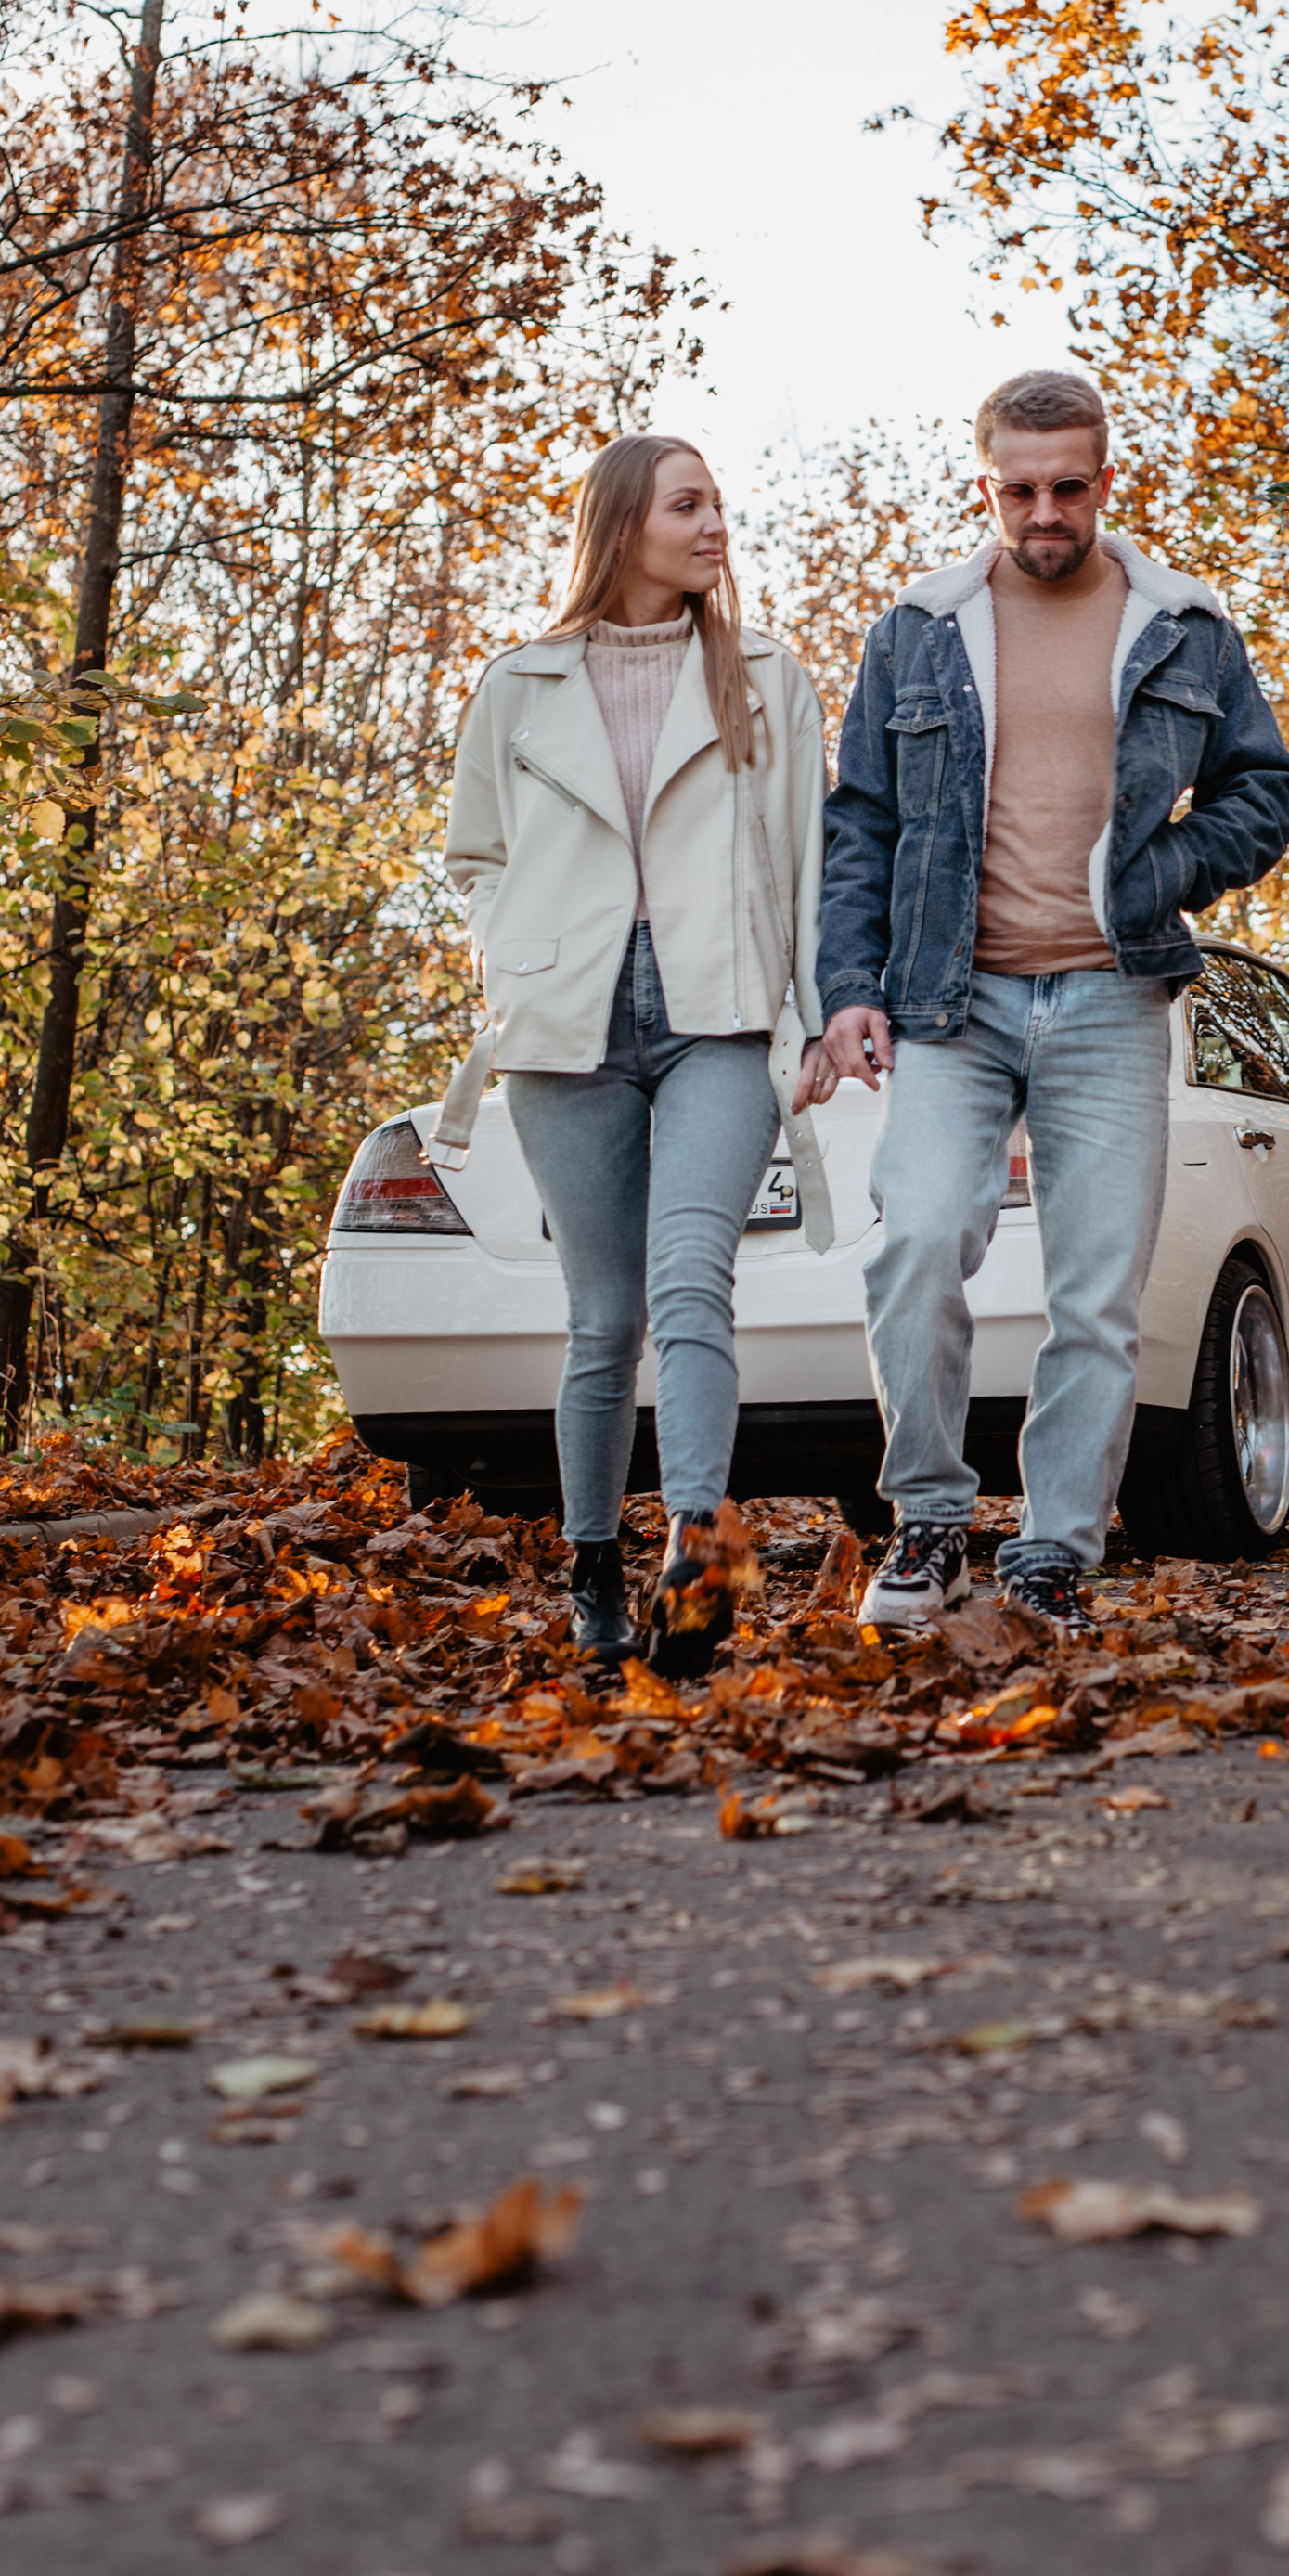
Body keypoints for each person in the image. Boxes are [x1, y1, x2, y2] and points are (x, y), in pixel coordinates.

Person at [817, 367, 1289, 1635]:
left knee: (1097, 1291)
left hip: (1110, 993)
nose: (1045, 511)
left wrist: (1172, 869)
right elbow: (859, 823)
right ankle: (929, 1520)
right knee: (915, 1242)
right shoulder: (916, 631)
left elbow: (1264, 786)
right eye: (1020, 489)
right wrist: (850, 989)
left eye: (1068, 487)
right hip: (950, 1002)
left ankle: (1053, 1551)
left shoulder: (1184, 627)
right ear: (986, 484)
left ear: (1104, 478)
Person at [434, 436, 836, 1678]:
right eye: (688, 503)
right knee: (603, 1319)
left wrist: (814, 1018)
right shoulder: (519, 682)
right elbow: (474, 856)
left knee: (690, 1282)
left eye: (718, 501)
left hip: (717, 1014)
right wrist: (524, 951)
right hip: (570, 1023)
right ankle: (595, 1561)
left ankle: (701, 1562)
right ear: (624, 526)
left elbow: (811, 862)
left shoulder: (770, 677)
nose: (716, 521)